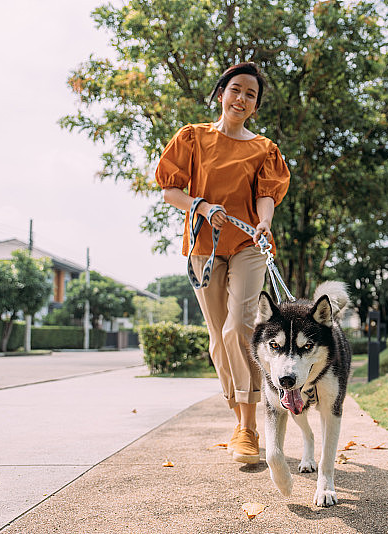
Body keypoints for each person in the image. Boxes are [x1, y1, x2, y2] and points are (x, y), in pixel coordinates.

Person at [155, 62, 290, 464]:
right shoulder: (193, 138)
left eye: (250, 94)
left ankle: (249, 428)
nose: (242, 98)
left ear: (255, 106)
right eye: (236, 89)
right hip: (204, 246)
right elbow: (170, 190)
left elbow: (266, 193)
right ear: (221, 94)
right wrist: (199, 205)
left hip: (249, 243)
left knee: (239, 327)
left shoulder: (263, 148)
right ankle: (238, 418)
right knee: (218, 337)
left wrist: (264, 222)